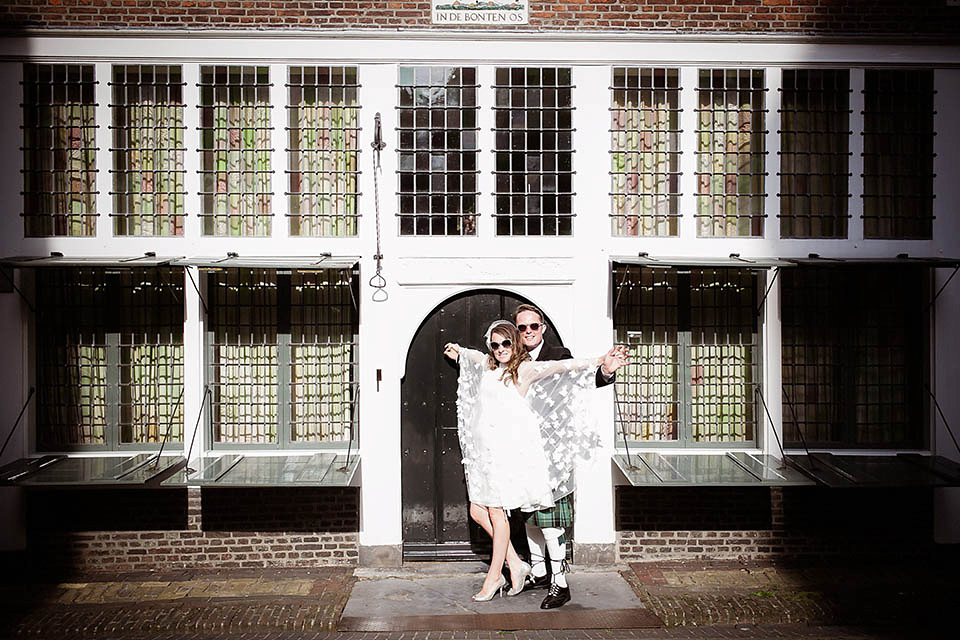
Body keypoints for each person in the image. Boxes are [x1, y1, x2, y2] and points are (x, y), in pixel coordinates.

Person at [442, 320, 613, 602]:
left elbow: (564, 367)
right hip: (482, 453)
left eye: (506, 343)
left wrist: (600, 361)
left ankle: (495, 576)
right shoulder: (488, 365)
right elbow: (473, 355)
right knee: (477, 511)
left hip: (504, 453)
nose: (500, 349)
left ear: (515, 343)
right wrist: (459, 351)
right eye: (494, 345)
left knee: (497, 513)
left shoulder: (524, 369)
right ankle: (517, 563)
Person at [513, 303, 629, 609]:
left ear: (542, 328)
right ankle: (538, 571)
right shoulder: (513, 358)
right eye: (522, 327)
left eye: (533, 326)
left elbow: (584, 378)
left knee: (551, 519)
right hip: (523, 449)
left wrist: (606, 369)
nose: (528, 332)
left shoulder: (559, 355)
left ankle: (560, 583)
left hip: (554, 451)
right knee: (529, 514)